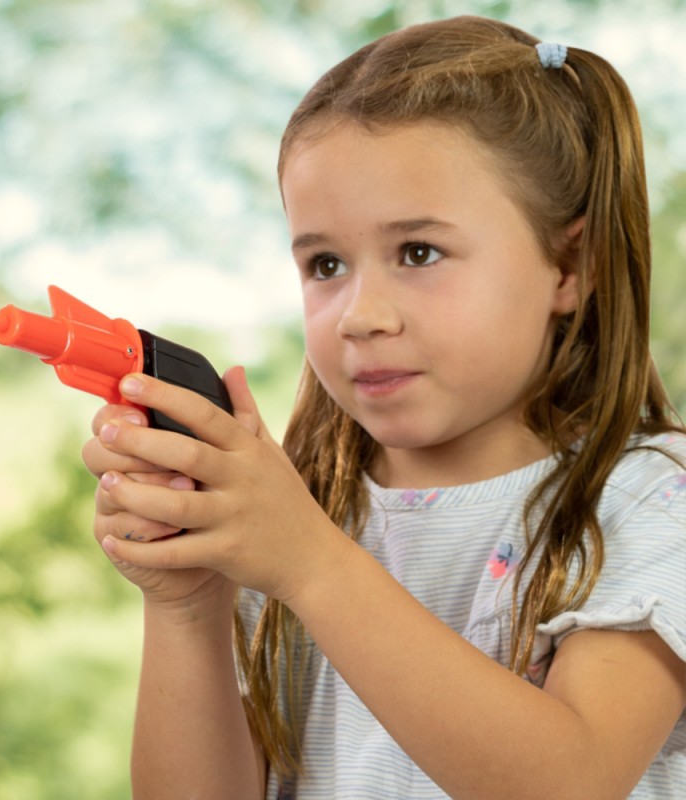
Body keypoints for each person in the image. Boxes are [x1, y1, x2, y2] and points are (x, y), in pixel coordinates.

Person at [81, 15, 686, 799]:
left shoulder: (648, 496)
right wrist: (191, 607)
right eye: (325, 264)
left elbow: (571, 780)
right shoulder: (302, 512)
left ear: (569, 266)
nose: (361, 314)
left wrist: (309, 563)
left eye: (419, 253)